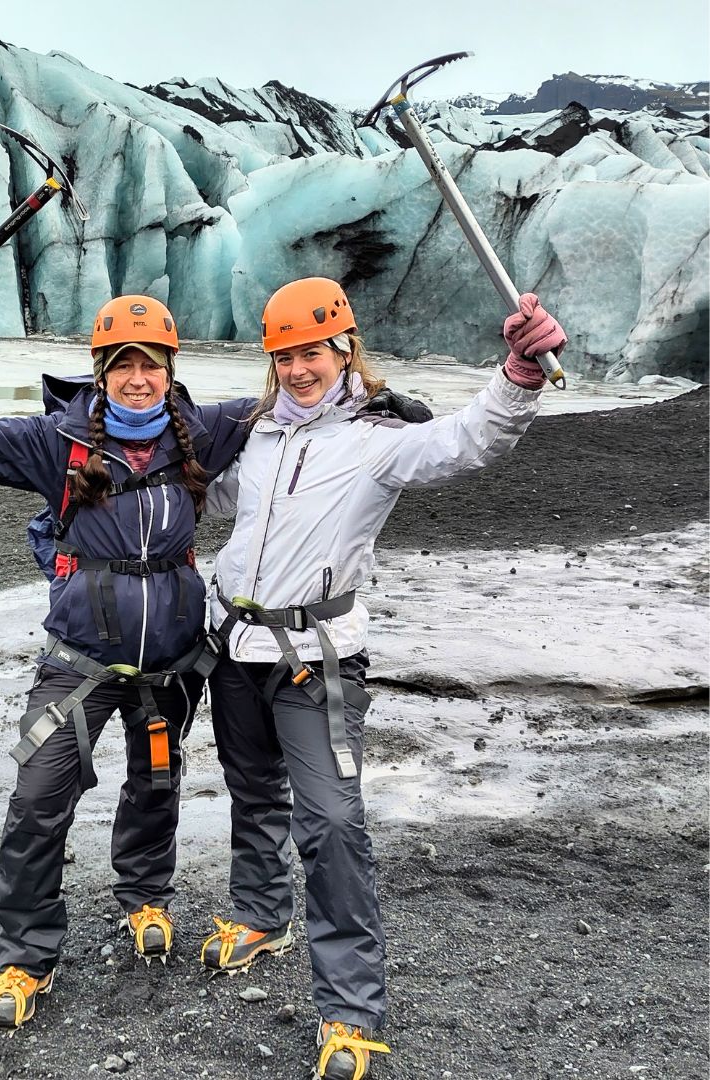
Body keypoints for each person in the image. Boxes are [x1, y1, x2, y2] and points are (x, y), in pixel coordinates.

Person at [198, 278, 567, 1079]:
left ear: (344, 350)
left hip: (317, 659)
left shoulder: (380, 438)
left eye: (313, 353)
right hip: (231, 647)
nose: (299, 369)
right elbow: (206, 496)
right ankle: (262, 916)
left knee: (330, 822)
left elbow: (470, 441)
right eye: (285, 355)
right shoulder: (256, 439)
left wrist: (520, 375)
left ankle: (349, 1010)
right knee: (253, 792)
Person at [0, 291, 255, 1030]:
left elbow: (292, 402)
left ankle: (145, 897)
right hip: (76, 663)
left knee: (155, 781)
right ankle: (28, 950)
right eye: (123, 365)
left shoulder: (203, 432)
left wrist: (373, 405)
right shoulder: (59, 442)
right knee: (38, 798)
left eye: (151, 364)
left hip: (169, 667)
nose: (138, 378)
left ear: (170, 370)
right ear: (102, 370)